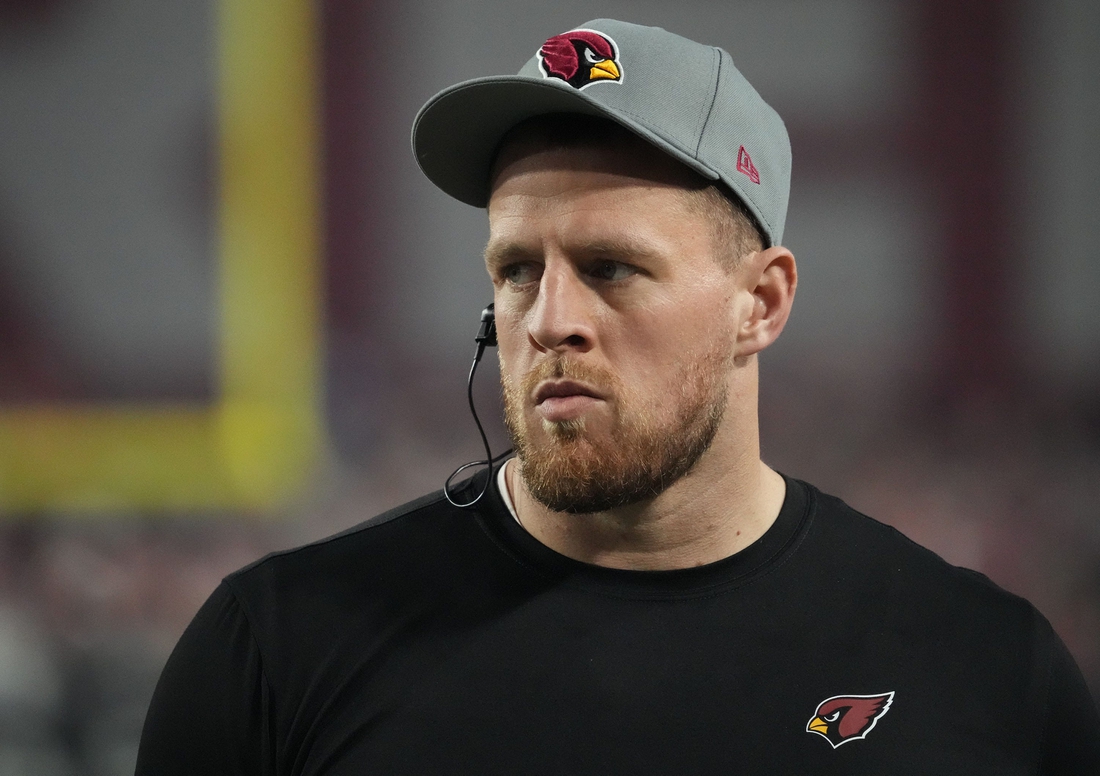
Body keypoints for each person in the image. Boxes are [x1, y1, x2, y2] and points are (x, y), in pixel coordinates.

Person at [136, 19, 1100, 774]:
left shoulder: (983, 667)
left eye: (611, 267)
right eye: (516, 269)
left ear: (759, 304)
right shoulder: (275, 652)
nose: (551, 317)